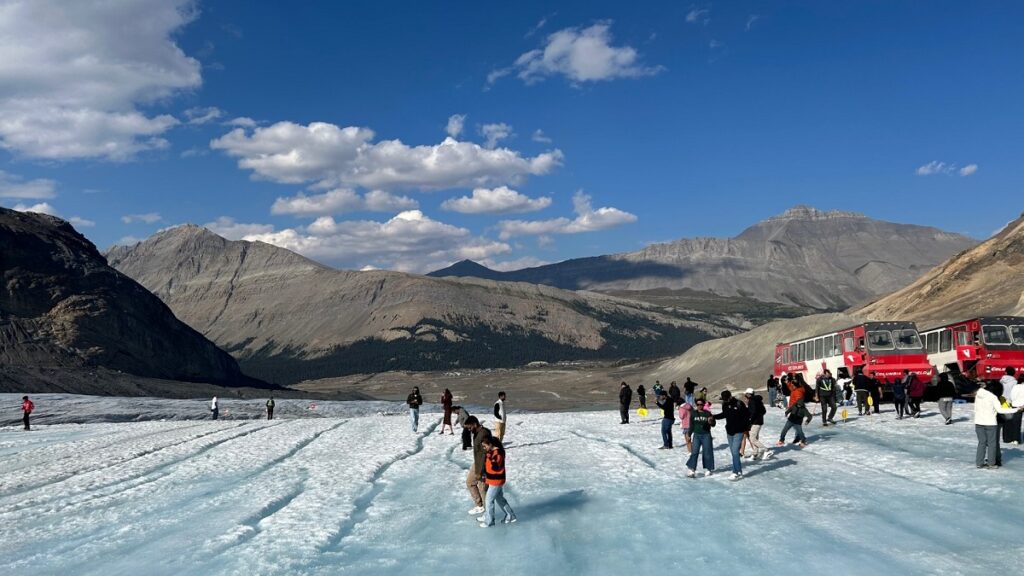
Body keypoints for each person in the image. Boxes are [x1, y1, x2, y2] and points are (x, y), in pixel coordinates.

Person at [974, 381, 1021, 468]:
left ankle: (979, 463)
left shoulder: (978, 394)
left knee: (981, 443)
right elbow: (1000, 410)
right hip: (990, 423)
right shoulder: (993, 397)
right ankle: (991, 463)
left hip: (978, 422)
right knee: (992, 444)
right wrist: (1016, 409)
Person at [712, 390, 751, 480]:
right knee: (734, 453)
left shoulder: (739, 404)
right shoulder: (725, 404)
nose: (725, 401)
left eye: (726, 399)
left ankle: (736, 472)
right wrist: (714, 416)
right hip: (729, 431)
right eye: (724, 399)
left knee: (734, 451)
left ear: (730, 397)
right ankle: (738, 471)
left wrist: (745, 428)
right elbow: (724, 414)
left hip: (739, 431)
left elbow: (747, 416)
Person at [479, 436, 516, 527]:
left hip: (496, 481)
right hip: (494, 480)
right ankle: (511, 515)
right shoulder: (492, 452)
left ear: (490, 444)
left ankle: (489, 521)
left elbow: (495, 467)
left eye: (485, 446)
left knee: (489, 501)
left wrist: (489, 456)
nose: (484, 448)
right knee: (499, 499)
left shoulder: (498, 453)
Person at [463, 416, 492, 514]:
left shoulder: (484, 434)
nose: (468, 429)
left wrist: (481, 471)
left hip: (484, 465)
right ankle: (480, 506)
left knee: (482, 488)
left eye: (469, 427)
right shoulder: (476, 433)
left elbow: (486, 453)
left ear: (475, 424)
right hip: (477, 462)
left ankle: (488, 514)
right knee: (470, 482)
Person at [685, 398, 715, 477]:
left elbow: (713, 424)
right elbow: (691, 425)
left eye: (701, 404)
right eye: (698, 404)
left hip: (706, 435)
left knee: (707, 452)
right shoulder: (693, 413)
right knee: (694, 452)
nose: (699, 406)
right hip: (697, 435)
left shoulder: (707, 413)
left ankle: (709, 469)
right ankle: (692, 469)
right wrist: (689, 434)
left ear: (703, 404)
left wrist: (711, 421)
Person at [744, 388, 771, 460]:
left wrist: (750, 420)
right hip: (759, 421)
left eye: (746, 394)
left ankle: (766, 450)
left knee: (752, 438)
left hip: (755, 422)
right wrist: (759, 416)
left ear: (748, 394)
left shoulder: (752, 401)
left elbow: (753, 412)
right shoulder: (758, 400)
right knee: (755, 438)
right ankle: (755, 453)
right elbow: (763, 411)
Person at [1000, 369, 1020, 444]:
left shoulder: (1001, 381)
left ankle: (1006, 438)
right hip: (1011, 402)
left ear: (1006, 372)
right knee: (1012, 420)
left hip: (1002, 401)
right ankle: (1011, 437)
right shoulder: (1015, 382)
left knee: (1005, 420)